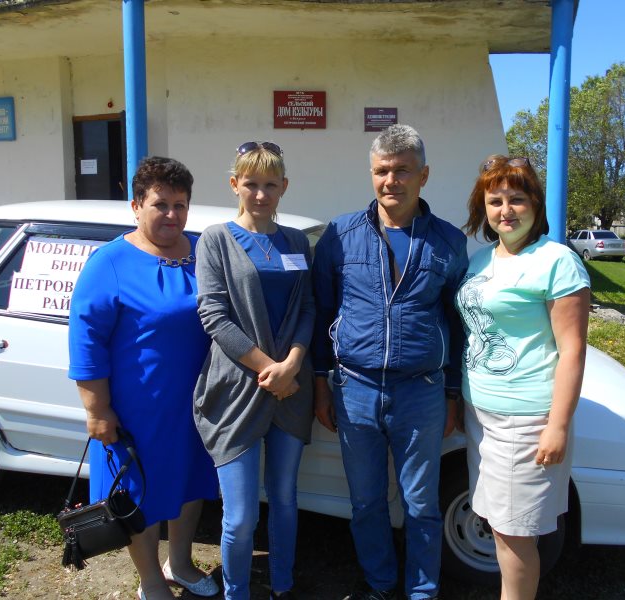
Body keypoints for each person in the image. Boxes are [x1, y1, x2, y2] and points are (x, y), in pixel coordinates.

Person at [312, 124, 468, 600]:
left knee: (421, 505)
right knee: (365, 502)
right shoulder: (340, 235)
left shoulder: (448, 242)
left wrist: (452, 394)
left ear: (424, 175)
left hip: (420, 391)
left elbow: (459, 325)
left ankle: (422, 591)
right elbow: (322, 312)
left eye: (402, 171)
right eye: (382, 171)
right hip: (354, 391)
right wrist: (322, 386)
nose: (390, 181)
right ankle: (380, 584)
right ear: (371, 174)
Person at [68, 157, 219, 600]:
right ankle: (151, 579)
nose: (172, 214)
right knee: (140, 494)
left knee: (191, 482)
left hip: (198, 405)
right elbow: (86, 340)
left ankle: (183, 563)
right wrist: (97, 409)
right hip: (138, 411)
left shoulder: (202, 252)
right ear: (136, 205)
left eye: (181, 204)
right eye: (161, 204)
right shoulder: (110, 263)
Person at [455, 155, 590, 600]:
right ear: (483, 208)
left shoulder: (557, 262)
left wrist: (557, 425)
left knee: (515, 535)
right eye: (495, 201)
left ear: (535, 203)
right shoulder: (479, 260)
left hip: (525, 420)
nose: (505, 210)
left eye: (517, 199)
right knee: (499, 524)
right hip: (483, 414)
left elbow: (572, 351)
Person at [193, 141, 315, 600]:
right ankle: (237, 591)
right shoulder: (215, 240)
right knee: (241, 515)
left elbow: (308, 307)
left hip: (291, 389)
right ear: (235, 185)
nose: (261, 194)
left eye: (270, 184)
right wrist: (271, 370)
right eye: (251, 184)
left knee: (284, 499)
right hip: (237, 392)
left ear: (284, 186)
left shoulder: (297, 242)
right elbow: (213, 315)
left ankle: (283, 586)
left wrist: (293, 364)